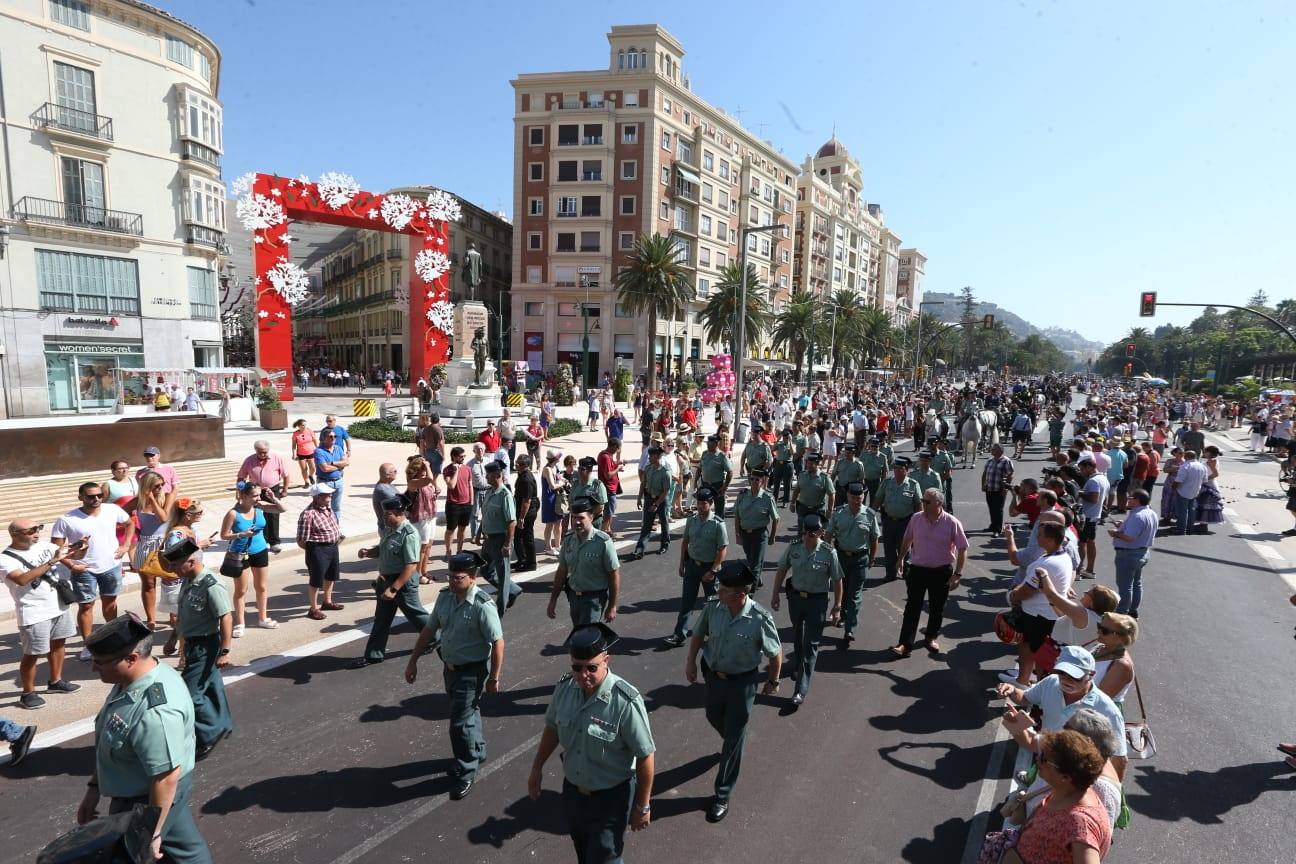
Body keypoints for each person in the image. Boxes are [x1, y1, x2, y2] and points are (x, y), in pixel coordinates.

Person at [77, 614, 212, 863]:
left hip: (146, 800)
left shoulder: (155, 711)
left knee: (130, 855)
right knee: (186, 850)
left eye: (100, 662)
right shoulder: (132, 679)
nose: (94, 668)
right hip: (145, 791)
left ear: (131, 659)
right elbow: (110, 739)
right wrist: (94, 788)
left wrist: (152, 831)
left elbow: (165, 778)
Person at [528, 624, 655, 863]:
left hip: (611, 797)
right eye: (577, 667)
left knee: (605, 856)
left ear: (607, 660)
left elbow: (646, 755)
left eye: (591, 668)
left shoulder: (625, 702)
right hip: (574, 793)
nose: (583, 675)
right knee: (583, 849)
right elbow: (553, 728)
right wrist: (537, 768)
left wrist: (643, 805)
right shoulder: (565, 688)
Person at [685, 560, 782, 823]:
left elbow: (775, 654)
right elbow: (698, 634)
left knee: (733, 738)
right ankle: (732, 741)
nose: (718, 591)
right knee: (713, 716)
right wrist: (691, 661)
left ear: (741, 593)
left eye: (724, 589)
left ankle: (722, 794)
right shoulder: (714, 609)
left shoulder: (760, 618)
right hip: (715, 677)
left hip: (743, 683)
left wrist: (772, 682)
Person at [405, 551, 505, 801]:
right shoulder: (445, 599)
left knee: (459, 724)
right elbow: (430, 629)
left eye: (457, 577)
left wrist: (494, 677)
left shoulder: (483, 605)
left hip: (472, 672)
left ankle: (467, 769)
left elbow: (498, 642)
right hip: (450, 669)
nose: (451, 581)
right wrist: (413, 660)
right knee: (470, 713)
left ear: (472, 578)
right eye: (449, 576)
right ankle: (478, 749)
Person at [995, 730, 1113, 864]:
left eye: (1044, 758)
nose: (1038, 759)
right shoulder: (1066, 791)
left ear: (1065, 777)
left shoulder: (1081, 826)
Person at [163, 538, 233, 760]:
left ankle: (209, 733)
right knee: (211, 688)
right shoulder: (188, 580)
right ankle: (220, 725)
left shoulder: (211, 584)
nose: (172, 569)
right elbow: (184, 614)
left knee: (191, 696)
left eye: (175, 564)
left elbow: (226, 617)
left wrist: (225, 651)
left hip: (206, 645)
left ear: (191, 562)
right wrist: (173, 639)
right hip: (192, 644)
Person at [3, 520, 82, 709]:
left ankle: (56, 681)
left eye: (38, 529)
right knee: (32, 654)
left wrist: (80, 548)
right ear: (15, 534)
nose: (36, 533)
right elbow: (21, 579)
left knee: (59, 643)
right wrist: (52, 561)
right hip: (33, 612)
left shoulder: (45, 546)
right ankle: (27, 693)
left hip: (58, 605)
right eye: (30, 530)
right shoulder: (6, 559)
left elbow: (72, 554)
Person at [52, 483, 133, 661]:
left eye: (99, 495)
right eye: (90, 496)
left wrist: (126, 545)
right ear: (80, 497)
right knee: (86, 606)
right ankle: (89, 644)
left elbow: (129, 523)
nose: (96, 499)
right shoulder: (67, 519)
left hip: (111, 565)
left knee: (110, 602)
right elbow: (55, 548)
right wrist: (71, 565)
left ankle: (112, 637)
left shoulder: (112, 510)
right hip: (84, 569)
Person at [771, 513, 843, 706]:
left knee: (810, 644)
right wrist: (775, 594)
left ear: (821, 532)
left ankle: (800, 690)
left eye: (812, 534)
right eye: (805, 533)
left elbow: (837, 580)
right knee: (797, 635)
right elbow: (781, 569)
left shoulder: (829, 553)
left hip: (817, 602)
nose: (807, 537)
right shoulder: (794, 548)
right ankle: (798, 666)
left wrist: (837, 607)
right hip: (795, 599)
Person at [353, 497, 430, 668]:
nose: (384, 517)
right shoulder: (390, 529)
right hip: (385, 581)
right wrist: (368, 552)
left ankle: (437, 638)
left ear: (400, 513)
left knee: (416, 615)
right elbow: (383, 550)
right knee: (381, 619)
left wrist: (394, 589)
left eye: (388, 514)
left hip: (401, 582)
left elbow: (411, 565)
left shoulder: (408, 534)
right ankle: (373, 655)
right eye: (384, 514)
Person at [890, 488, 968, 657]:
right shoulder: (916, 518)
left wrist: (957, 574)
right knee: (912, 607)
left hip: (941, 572)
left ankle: (931, 636)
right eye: (922, 501)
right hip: (918, 570)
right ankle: (905, 644)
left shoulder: (952, 522)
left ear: (939, 504)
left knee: (937, 608)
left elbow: (962, 549)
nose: (922, 504)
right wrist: (900, 558)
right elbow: (907, 539)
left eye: (927, 502)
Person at [1002, 521, 1073, 686]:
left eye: (1039, 535)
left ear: (1049, 540)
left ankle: (1039, 688)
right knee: (1032, 648)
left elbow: (1026, 591)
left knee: (1036, 651)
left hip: (1037, 616)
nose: (1036, 537)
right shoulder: (1063, 556)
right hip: (1047, 614)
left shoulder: (1044, 564)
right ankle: (1024, 679)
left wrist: (1012, 596)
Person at [665, 487, 729, 647]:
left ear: (711, 503)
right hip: (692, 566)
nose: (699, 506)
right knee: (687, 602)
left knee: (713, 603)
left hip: (709, 569)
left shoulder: (718, 524)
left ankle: (715, 633)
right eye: (698, 503)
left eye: (703, 503)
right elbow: (685, 542)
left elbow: (723, 549)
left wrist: (713, 570)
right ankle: (679, 634)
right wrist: (682, 563)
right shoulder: (691, 520)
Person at [549, 497, 621, 625]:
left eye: (581, 518)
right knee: (579, 633)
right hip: (573, 598)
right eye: (574, 517)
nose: (576, 522)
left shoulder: (603, 542)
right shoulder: (569, 540)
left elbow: (613, 575)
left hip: (594, 600)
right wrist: (553, 599)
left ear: (591, 518)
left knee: (586, 638)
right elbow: (562, 571)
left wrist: (612, 606)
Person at [825, 481, 880, 648]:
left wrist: (872, 558)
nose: (857, 500)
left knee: (855, 595)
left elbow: (874, 538)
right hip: (841, 557)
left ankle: (849, 629)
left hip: (860, 559)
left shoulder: (869, 515)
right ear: (848, 496)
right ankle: (841, 614)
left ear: (864, 496)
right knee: (842, 591)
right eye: (854, 497)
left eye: (860, 497)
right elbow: (829, 534)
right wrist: (828, 554)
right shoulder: (839, 513)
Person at [297, 483, 343, 620]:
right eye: (326, 495)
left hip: (332, 546)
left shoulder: (328, 508)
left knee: (331, 576)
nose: (329, 496)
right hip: (317, 549)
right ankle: (313, 608)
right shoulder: (308, 514)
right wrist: (314, 551)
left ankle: (327, 602)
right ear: (316, 497)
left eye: (330, 494)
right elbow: (301, 540)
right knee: (316, 580)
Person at [480, 460, 521, 615]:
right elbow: (485, 514)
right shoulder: (490, 492)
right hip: (489, 538)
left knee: (503, 575)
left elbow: (511, 521)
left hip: (500, 538)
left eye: (488, 475)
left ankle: (500, 608)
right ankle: (514, 589)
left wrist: (507, 544)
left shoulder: (505, 495)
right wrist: (480, 533)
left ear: (497, 475)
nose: (486, 477)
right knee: (485, 570)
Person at [1110, 488, 1157, 617]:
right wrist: (1123, 525)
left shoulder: (1137, 516)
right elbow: (1137, 530)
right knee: (1136, 583)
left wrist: (1116, 533)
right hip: (1142, 553)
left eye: (1130, 498)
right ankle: (1132, 610)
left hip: (1128, 554)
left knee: (1125, 586)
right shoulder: (1150, 513)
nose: (1128, 500)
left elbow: (1130, 538)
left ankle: (1121, 613)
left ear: (1137, 500)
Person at [239, 441, 291, 554]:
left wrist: (285, 490)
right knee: (256, 514)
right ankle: (262, 538)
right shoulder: (249, 460)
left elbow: (286, 475)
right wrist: (240, 492)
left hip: (272, 489)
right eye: (261, 452)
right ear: (256, 451)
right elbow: (241, 477)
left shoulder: (276, 457)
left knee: (273, 515)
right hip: (255, 491)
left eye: (265, 452)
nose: (264, 454)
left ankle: (274, 542)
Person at [876, 456, 922, 582]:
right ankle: (890, 573)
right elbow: (878, 498)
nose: (897, 471)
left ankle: (906, 572)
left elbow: (918, 504)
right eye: (895, 469)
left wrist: (919, 521)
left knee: (905, 547)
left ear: (906, 470)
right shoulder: (886, 482)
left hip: (906, 522)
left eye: (900, 469)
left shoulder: (913, 484)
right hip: (889, 520)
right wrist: (871, 513)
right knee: (889, 548)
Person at [733, 467, 780, 589]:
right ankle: (757, 578)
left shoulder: (767, 498)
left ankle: (750, 591)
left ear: (762, 482)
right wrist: (737, 534)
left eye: (757, 480)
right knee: (751, 559)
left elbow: (776, 518)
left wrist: (772, 536)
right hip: (745, 534)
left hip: (759, 535)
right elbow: (737, 516)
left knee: (755, 565)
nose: (754, 481)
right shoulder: (742, 495)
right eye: (752, 479)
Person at [633, 446, 673, 558]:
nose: (649, 457)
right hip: (649, 498)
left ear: (657, 456)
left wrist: (656, 504)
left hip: (661, 501)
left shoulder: (666, 472)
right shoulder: (648, 468)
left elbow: (666, 491)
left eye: (651, 456)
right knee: (646, 525)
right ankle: (639, 549)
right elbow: (643, 483)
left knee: (664, 523)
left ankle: (664, 545)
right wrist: (639, 497)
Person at [405, 455, 439, 584]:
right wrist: (428, 465)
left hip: (430, 516)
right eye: (423, 468)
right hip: (420, 518)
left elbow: (431, 483)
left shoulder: (425, 481)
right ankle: (417, 575)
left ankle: (424, 571)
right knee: (422, 547)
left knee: (428, 546)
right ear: (416, 469)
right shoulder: (413, 482)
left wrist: (436, 490)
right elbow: (430, 478)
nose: (425, 469)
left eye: (425, 467)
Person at [443, 447, 474, 560]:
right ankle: (448, 552)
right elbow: (451, 485)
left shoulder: (467, 469)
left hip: (466, 504)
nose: (463, 458)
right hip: (453, 504)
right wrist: (456, 471)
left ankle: (459, 550)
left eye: (464, 456)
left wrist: (472, 501)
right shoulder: (448, 470)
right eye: (461, 456)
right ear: (454, 457)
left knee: (462, 528)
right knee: (450, 529)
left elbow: (470, 485)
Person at [314, 428, 350, 520]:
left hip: (338, 482)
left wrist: (332, 463)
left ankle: (336, 530)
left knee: (336, 508)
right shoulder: (319, 451)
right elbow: (325, 468)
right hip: (325, 483)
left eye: (335, 436)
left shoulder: (338, 448)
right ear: (323, 438)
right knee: (323, 507)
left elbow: (347, 462)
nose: (333, 438)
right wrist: (340, 466)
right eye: (330, 436)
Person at [512, 454, 540, 572]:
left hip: (527, 511)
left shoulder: (526, 479)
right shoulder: (521, 475)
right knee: (518, 537)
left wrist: (522, 518)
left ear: (527, 466)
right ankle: (522, 560)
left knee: (527, 537)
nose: (518, 465)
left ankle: (531, 563)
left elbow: (526, 500)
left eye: (521, 464)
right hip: (522, 509)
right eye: (517, 462)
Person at [1171, 449, 1208, 535]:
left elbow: (1179, 480)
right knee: (1192, 511)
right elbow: (1205, 480)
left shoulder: (1185, 466)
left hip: (1183, 491)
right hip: (1195, 491)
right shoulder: (1202, 466)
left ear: (1186, 456)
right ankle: (1190, 529)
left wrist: (1173, 487)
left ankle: (1181, 529)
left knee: (1182, 511)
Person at [981, 442, 1014, 534]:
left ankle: (998, 529)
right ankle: (993, 525)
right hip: (990, 488)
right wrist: (983, 485)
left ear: (1000, 450)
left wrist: (1006, 488)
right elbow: (985, 473)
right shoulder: (990, 460)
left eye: (994, 449)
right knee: (991, 508)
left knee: (998, 509)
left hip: (1000, 489)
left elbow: (1010, 475)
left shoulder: (1006, 461)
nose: (992, 450)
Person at [571, 457, 610, 530]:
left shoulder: (597, 485)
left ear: (590, 470)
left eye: (582, 469)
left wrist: (587, 518)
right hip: (577, 523)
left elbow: (601, 506)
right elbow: (571, 503)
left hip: (594, 522)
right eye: (579, 469)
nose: (579, 471)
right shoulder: (575, 485)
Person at [795, 451, 834, 524]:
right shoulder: (802, 475)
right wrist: (792, 503)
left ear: (817, 464)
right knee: (801, 531)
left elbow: (831, 494)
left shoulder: (824, 478)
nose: (808, 466)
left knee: (817, 532)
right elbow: (797, 490)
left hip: (817, 509)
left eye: (811, 464)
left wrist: (830, 510)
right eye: (807, 463)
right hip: (803, 508)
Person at [541, 451, 568, 554]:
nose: (559, 459)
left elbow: (560, 477)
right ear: (554, 458)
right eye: (558, 457)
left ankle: (558, 545)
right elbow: (552, 486)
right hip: (549, 499)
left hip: (557, 498)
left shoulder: (556, 467)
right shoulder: (547, 469)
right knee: (550, 524)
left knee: (558, 522)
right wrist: (562, 483)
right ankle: (548, 547)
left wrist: (563, 480)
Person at [597, 439, 625, 534]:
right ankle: (604, 530)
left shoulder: (607, 456)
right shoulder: (605, 457)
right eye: (617, 448)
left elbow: (608, 468)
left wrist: (616, 464)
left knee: (611, 509)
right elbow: (608, 475)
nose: (617, 451)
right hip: (608, 489)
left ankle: (608, 529)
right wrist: (618, 468)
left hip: (611, 488)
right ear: (613, 446)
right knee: (609, 512)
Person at [291, 419, 318, 488]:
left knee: (313, 468)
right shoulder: (295, 434)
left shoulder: (310, 431)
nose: (304, 426)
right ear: (299, 426)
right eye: (303, 425)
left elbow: (315, 441)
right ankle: (306, 482)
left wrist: (318, 450)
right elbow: (294, 446)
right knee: (304, 469)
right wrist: (294, 454)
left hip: (311, 452)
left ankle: (310, 475)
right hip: (301, 454)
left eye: (305, 425)